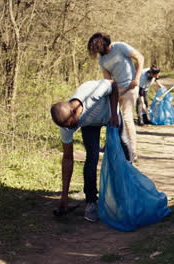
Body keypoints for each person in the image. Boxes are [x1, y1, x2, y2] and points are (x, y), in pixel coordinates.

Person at [50, 79, 132, 222]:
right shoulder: (66, 125)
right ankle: (91, 202)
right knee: (92, 157)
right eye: (65, 126)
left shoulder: (90, 92)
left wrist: (113, 114)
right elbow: (68, 158)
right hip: (90, 125)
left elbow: (113, 85)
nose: (69, 129)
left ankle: (131, 188)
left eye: (71, 124)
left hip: (110, 114)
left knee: (125, 148)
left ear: (74, 111)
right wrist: (64, 196)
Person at [87, 32, 144, 161]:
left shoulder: (120, 47)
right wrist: (110, 93)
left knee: (127, 118)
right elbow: (108, 80)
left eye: (99, 48)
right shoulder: (102, 60)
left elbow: (140, 58)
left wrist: (137, 78)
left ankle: (132, 153)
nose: (98, 52)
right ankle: (114, 147)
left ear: (105, 44)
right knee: (112, 118)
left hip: (131, 85)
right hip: (117, 90)